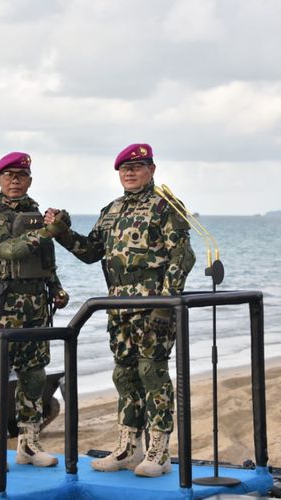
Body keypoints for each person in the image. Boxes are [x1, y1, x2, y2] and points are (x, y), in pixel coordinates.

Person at [45, 143, 195, 477]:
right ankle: (129, 447)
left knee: (153, 374)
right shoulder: (111, 210)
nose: (129, 172)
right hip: (118, 309)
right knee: (124, 375)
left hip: (153, 308)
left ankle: (159, 450)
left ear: (151, 170)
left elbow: (182, 257)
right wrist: (61, 233)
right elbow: (90, 251)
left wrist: (167, 304)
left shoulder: (164, 207)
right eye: (124, 168)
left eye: (137, 167)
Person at [0, 151, 70, 472]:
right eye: (9, 175)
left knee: (34, 376)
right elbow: (11, 250)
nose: (15, 181)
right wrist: (49, 230)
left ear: (29, 180)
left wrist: (56, 289)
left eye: (21, 176)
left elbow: (46, 261)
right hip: (2, 309)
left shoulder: (36, 215)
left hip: (36, 308)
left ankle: (28, 444)